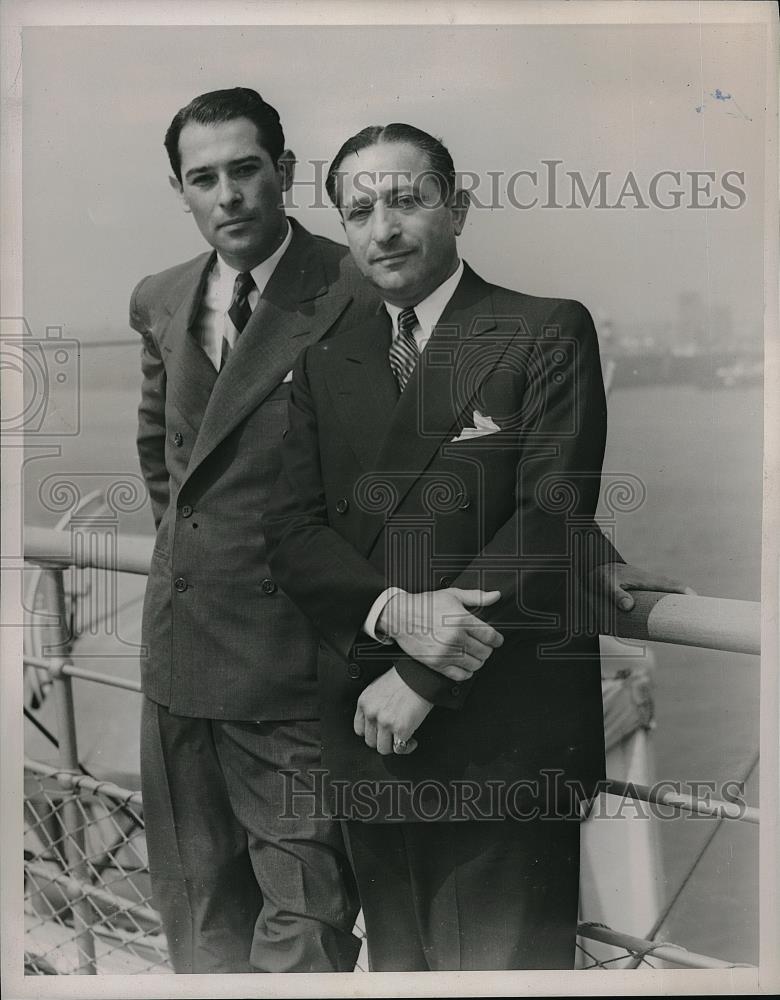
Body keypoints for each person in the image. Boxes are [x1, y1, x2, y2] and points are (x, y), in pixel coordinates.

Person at [133, 91, 689, 974]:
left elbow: (551, 510)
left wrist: (428, 669)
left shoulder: (540, 328)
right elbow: (292, 526)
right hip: (366, 736)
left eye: (408, 200)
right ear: (345, 226)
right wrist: (394, 612)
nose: (384, 227)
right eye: (361, 209)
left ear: (458, 207)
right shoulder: (329, 359)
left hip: (495, 747)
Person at [130, 88, 378, 973]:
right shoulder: (161, 298)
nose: (227, 194)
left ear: (285, 172)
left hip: (290, 666)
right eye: (204, 178)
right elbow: (167, 466)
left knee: (304, 918)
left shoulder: (355, 285)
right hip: (177, 654)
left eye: (245, 170)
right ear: (182, 190)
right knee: (196, 917)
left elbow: (401, 479)